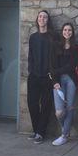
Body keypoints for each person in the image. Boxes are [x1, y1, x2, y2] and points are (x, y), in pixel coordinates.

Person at [26, 10, 55, 144]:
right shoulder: (33, 37)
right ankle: (36, 130)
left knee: (46, 105)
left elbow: (55, 57)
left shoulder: (52, 37)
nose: (42, 19)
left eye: (45, 17)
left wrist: (52, 73)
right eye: (40, 16)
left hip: (47, 77)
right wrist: (31, 70)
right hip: (34, 76)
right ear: (37, 19)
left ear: (48, 20)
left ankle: (41, 133)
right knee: (32, 104)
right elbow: (30, 56)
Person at [49, 23, 78, 146]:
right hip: (58, 81)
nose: (67, 32)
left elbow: (71, 66)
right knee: (59, 112)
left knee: (70, 108)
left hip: (71, 80)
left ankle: (64, 135)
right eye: (65, 30)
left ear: (72, 32)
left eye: (70, 30)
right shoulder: (55, 46)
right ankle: (65, 128)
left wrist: (56, 71)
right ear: (62, 31)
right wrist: (55, 80)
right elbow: (51, 65)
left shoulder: (76, 47)